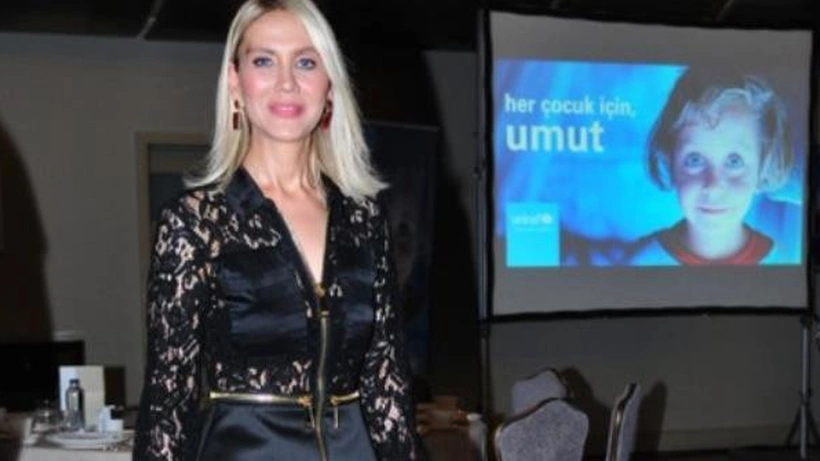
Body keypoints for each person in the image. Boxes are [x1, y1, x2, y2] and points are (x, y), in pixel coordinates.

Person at [132, 1, 426, 460]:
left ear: (329, 85)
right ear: (235, 82)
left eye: (306, 62)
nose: (287, 81)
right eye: (264, 61)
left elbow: (387, 387)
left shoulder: (364, 220)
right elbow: (168, 403)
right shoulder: (195, 223)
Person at [626, 66, 796, 265]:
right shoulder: (640, 262)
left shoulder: (783, 261)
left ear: (763, 167)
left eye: (734, 161)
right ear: (670, 161)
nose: (713, 186)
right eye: (694, 159)